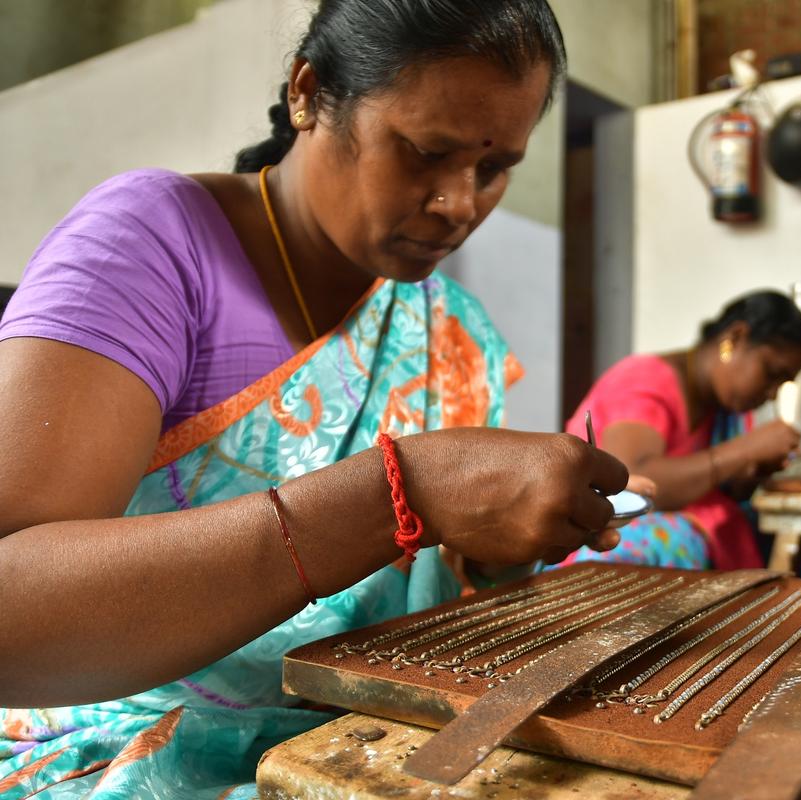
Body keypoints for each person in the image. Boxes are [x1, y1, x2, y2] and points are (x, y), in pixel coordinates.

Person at [0, 2, 635, 797]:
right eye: (427, 152)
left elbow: (422, 599)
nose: (460, 204)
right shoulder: (152, 246)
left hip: (349, 736)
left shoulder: (449, 328)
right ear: (308, 92)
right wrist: (396, 492)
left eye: (495, 167)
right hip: (107, 741)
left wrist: (489, 547)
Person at [555, 290, 801, 570]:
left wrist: (751, 472)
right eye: (771, 372)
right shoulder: (644, 380)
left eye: (783, 383)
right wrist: (745, 450)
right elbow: (630, 481)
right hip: (592, 543)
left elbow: (709, 489)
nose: (773, 393)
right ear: (735, 338)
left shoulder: (722, 408)